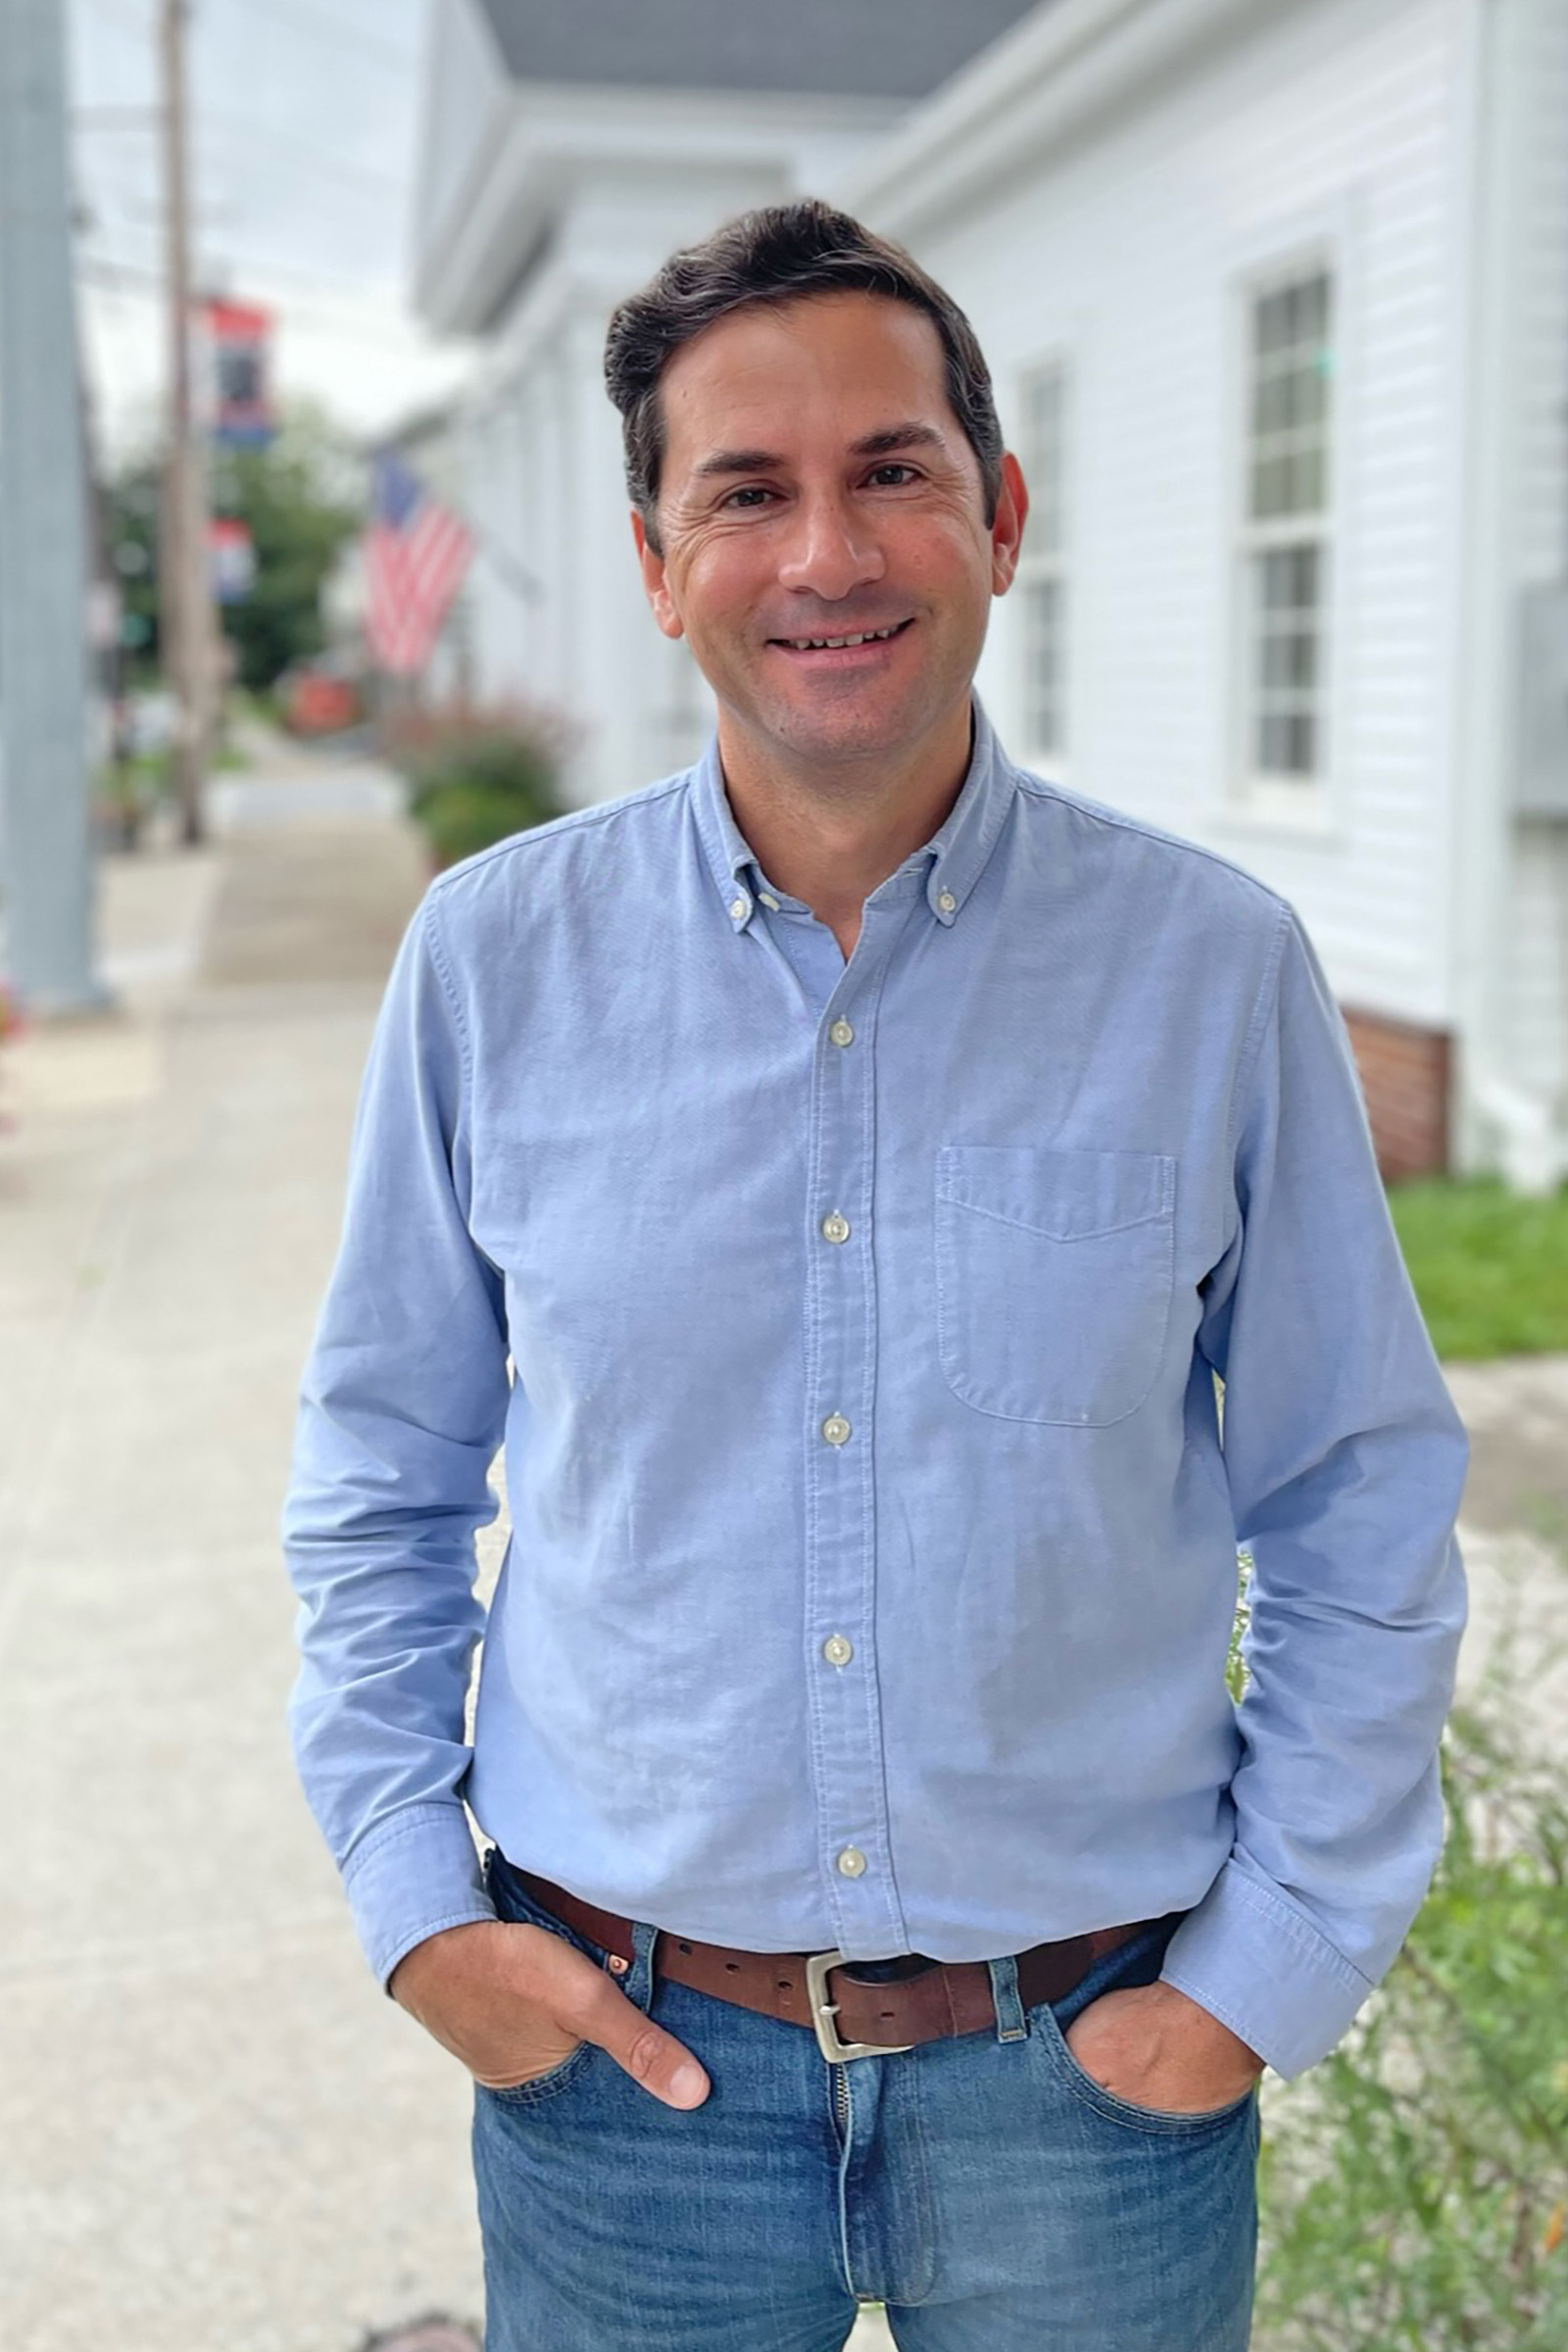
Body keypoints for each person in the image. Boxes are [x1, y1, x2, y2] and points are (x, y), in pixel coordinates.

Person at [282, 200, 1467, 2351]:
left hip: (1086, 2083)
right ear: (656, 564)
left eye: (889, 471)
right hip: (621, 2088)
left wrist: (1259, 1975)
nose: (825, 553)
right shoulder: (490, 964)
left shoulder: (1208, 976)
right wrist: (411, 1910)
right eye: (745, 492)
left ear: (995, 517)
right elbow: (380, 1470)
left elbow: (1355, 1495)